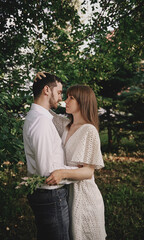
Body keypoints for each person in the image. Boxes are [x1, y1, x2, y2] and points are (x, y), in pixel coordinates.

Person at [45, 84, 107, 240]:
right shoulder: (65, 125)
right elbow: (43, 110)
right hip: (67, 195)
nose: (66, 101)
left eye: (71, 98)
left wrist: (62, 173)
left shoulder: (89, 131)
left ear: (83, 101)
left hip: (86, 199)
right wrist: (42, 80)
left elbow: (88, 172)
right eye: (66, 97)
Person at [23, 72, 76, 240]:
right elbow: (47, 171)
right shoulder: (41, 122)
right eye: (59, 92)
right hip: (51, 196)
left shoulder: (40, 116)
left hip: (46, 195)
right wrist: (78, 171)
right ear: (47, 90)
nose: (61, 98)